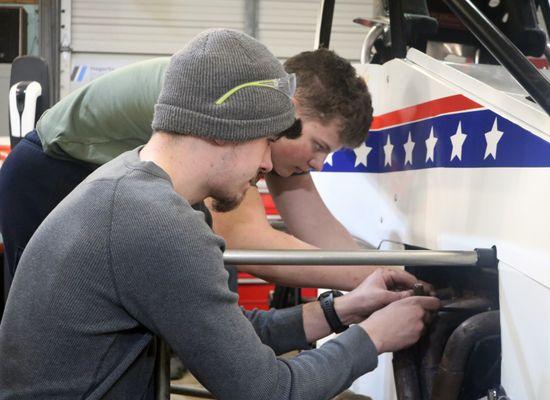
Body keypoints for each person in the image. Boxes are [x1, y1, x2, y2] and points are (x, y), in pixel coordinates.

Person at [0, 29, 440, 399]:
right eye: (266, 142)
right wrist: (373, 337)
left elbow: (220, 328)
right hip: (42, 169)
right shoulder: (157, 221)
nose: (268, 166)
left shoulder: (135, 178)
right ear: (230, 131)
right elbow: (265, 390)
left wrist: (343, 308)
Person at [0, 44, 408, 297]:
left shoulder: (273, 124)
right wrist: (369, 281)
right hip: (50, 174)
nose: (318, 164)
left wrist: (387, 274)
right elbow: (244, 240)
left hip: (106, 185)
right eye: (319, 146)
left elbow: (320, 232)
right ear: (292, 109)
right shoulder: (242, 104)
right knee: (52, 323)